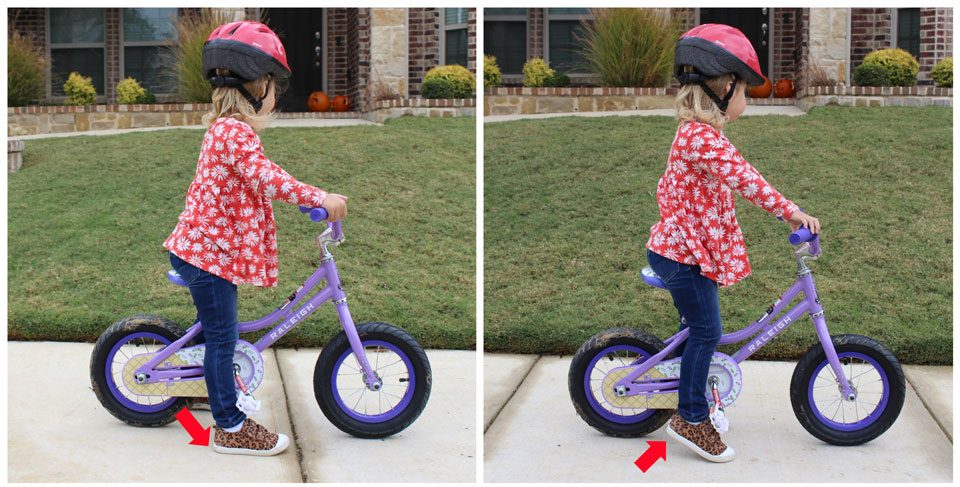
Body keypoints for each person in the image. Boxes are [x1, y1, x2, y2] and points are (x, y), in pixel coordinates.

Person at [163, 20, 348, 456]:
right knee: (225, 339)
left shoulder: (229, 132)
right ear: (254, 87)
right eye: (271, 84)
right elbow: (266, 176)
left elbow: (253, 181)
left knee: (219, 333)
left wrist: (303, 200)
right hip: (206, 255)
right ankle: (229, 426)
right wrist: (316, 194)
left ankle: (214, 387)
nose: (274, 95)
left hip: (207, 250)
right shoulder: (233, 132)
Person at [645, 24, 820, 462]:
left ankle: (693, 385)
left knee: (699, 329)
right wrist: (790, 210)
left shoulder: (700, 135)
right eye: (743, 89)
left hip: (685, 249)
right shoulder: (702, 139)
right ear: (722, 87)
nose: (746, 99)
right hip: (681, 256)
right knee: (708, 330)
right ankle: (690, 417)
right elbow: (747, 180)